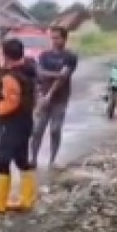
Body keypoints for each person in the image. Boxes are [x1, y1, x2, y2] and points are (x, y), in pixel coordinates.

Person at [0, 38, 37, 214]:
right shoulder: (28, 70)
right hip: (25, 122)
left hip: (12, 124)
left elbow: (11, 104)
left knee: (2, 162)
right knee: (22, 160)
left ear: (7, 56)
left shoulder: (11, 77)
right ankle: (27, 199)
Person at [31, 26, 78, 168]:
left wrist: (50, 94)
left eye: (57, 37)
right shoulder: (44, 55)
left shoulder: (70, 56)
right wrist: (41, 95)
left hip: (60, 98)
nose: (53, 40)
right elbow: (40, 74)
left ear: (64, 39)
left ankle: (52, 160)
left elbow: (63, 78)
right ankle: (33, 159)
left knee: (55, 129)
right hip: (43, 96)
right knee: (38, 129)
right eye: (52, 37)